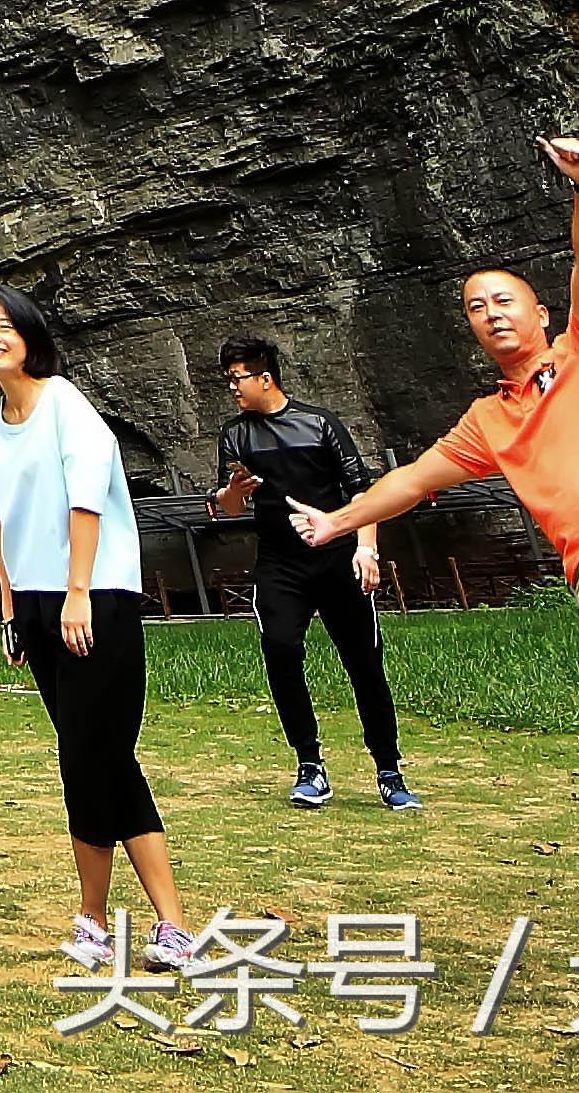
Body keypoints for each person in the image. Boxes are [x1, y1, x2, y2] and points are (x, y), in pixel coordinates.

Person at [287, 135, 579, 913]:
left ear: (539, 312)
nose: (488, 313)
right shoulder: (487, 420)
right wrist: (337, 521)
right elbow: (412, 481)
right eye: (475, 308)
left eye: (502, 298)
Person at [0, 285, 203, 974]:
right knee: (85, 755)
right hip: (36, 602)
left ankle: (149, 924)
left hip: (95, 593)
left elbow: (87, 502)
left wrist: (79, 594)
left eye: (4, 326)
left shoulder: (66, 404)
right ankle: (109, 921)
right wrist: (11, 611)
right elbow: (3, 520)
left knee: (99, 755)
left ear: (30, 334)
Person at [204, 335, 413, 810]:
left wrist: (366, 550)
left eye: (237, 378)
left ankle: (389, 770)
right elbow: (229, 506)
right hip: (280, 565)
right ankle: (310, 765)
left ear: (264, 378)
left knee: (364, 663)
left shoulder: (319, 423)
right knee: (280, 651)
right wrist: (234, 492)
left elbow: (364, 492)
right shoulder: (234, 435)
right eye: (228, 379)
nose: (232, 388)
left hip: (337, 556)